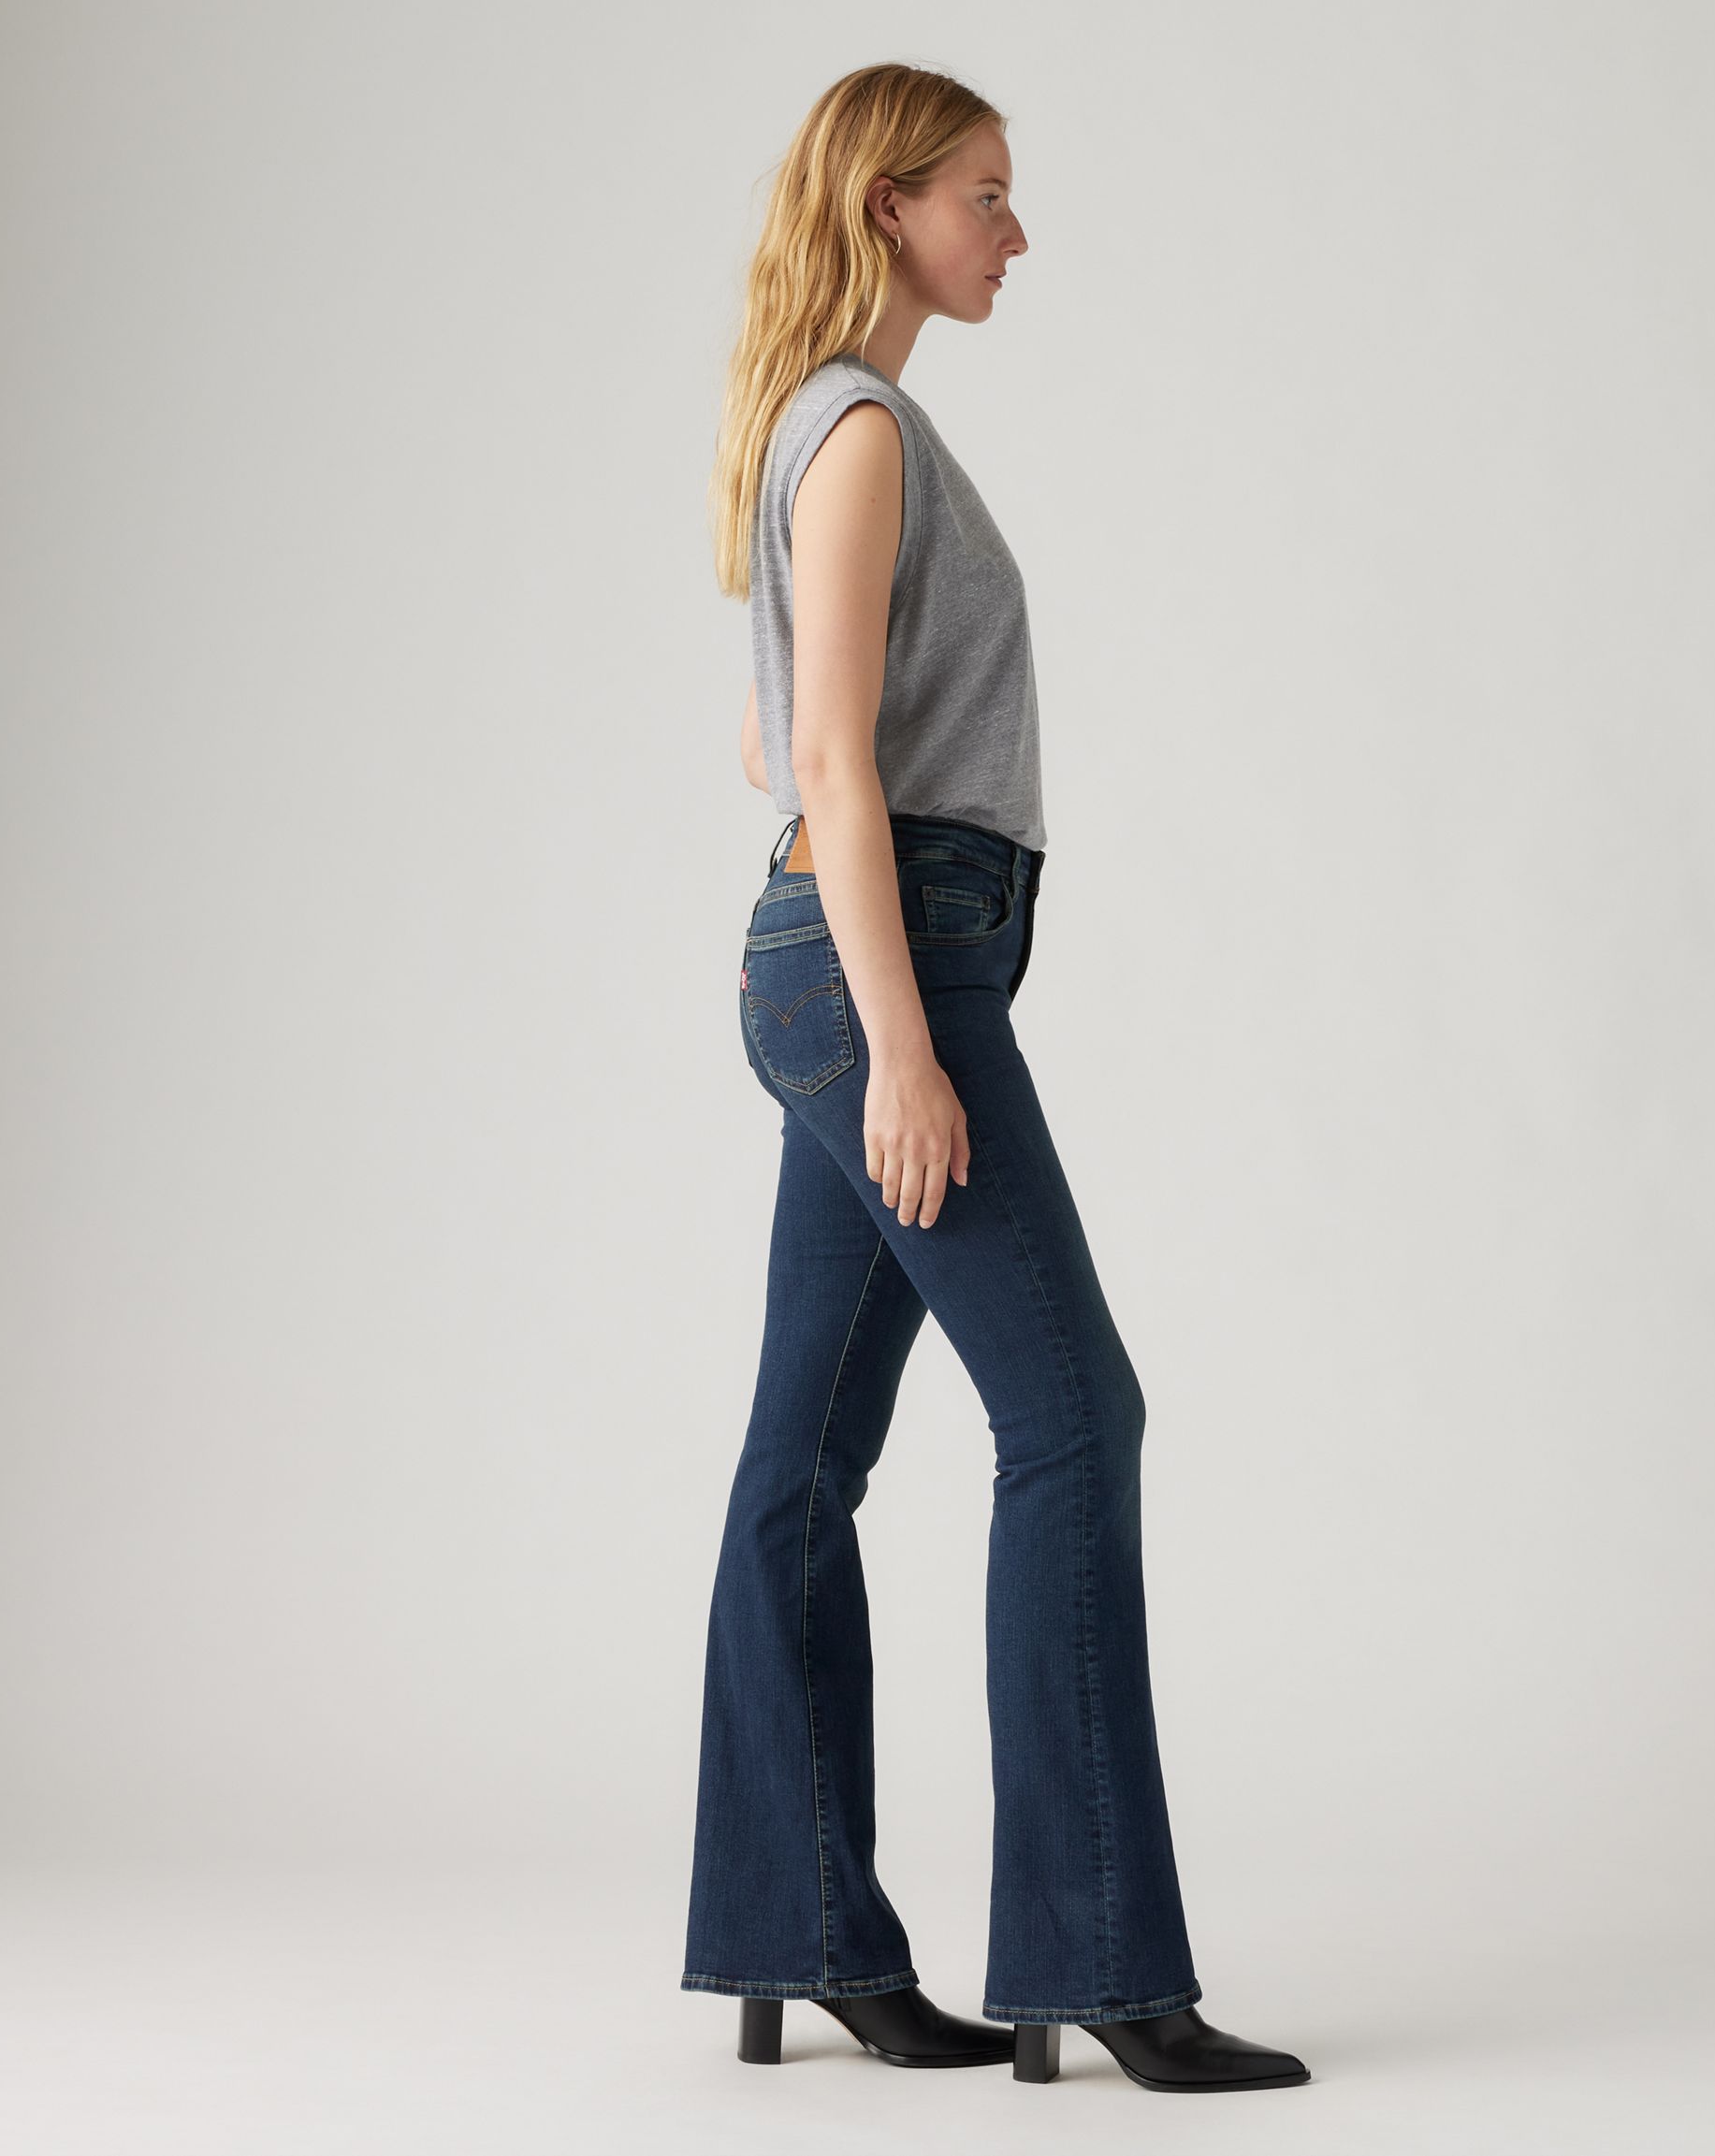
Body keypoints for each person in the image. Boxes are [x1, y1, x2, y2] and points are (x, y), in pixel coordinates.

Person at [676, 65, 1310, 2097]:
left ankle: (793, 1931)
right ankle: (1096, 1961)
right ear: (888, 204)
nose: (1014, 234)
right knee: (1072, 1417)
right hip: (891, 966)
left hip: (840, 944)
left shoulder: (809, 424)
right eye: (985, 194)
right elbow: (828, 760)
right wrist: (902, 1043)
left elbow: (778, 744)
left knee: (803, 1455)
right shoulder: (861, 431)